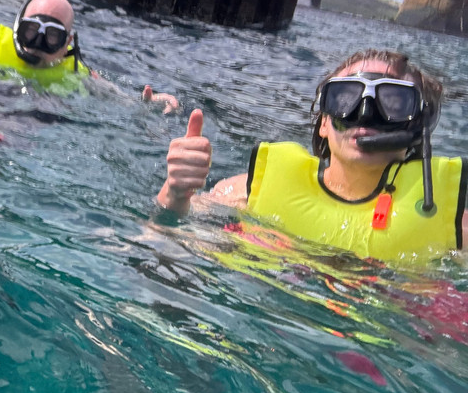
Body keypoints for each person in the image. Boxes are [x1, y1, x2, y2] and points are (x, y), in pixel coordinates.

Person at [156, 48, 464, 263]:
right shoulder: (247, 191)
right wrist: (176, 192)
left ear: (418, 126)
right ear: (325, 123)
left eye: (393, 102)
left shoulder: (452, 223)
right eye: (346, 98)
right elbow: (163, 239)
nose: (365, 115)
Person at [0, 0, 178, 110]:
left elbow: (123, 99)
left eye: (53, 36)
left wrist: (151, 103)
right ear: (18, 29)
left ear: (67, 43)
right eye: (31, 31)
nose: (39, 44)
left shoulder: (79, 75)